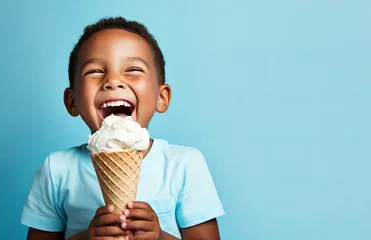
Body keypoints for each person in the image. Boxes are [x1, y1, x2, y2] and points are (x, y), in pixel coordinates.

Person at [21, 16, 225, 240]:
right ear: (72, 101)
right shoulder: (57, 170)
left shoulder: (184, 165)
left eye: (133, 69)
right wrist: (85, 238)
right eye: (94, 71)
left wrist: (160, 237)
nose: (113, 81)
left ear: (162, 97)